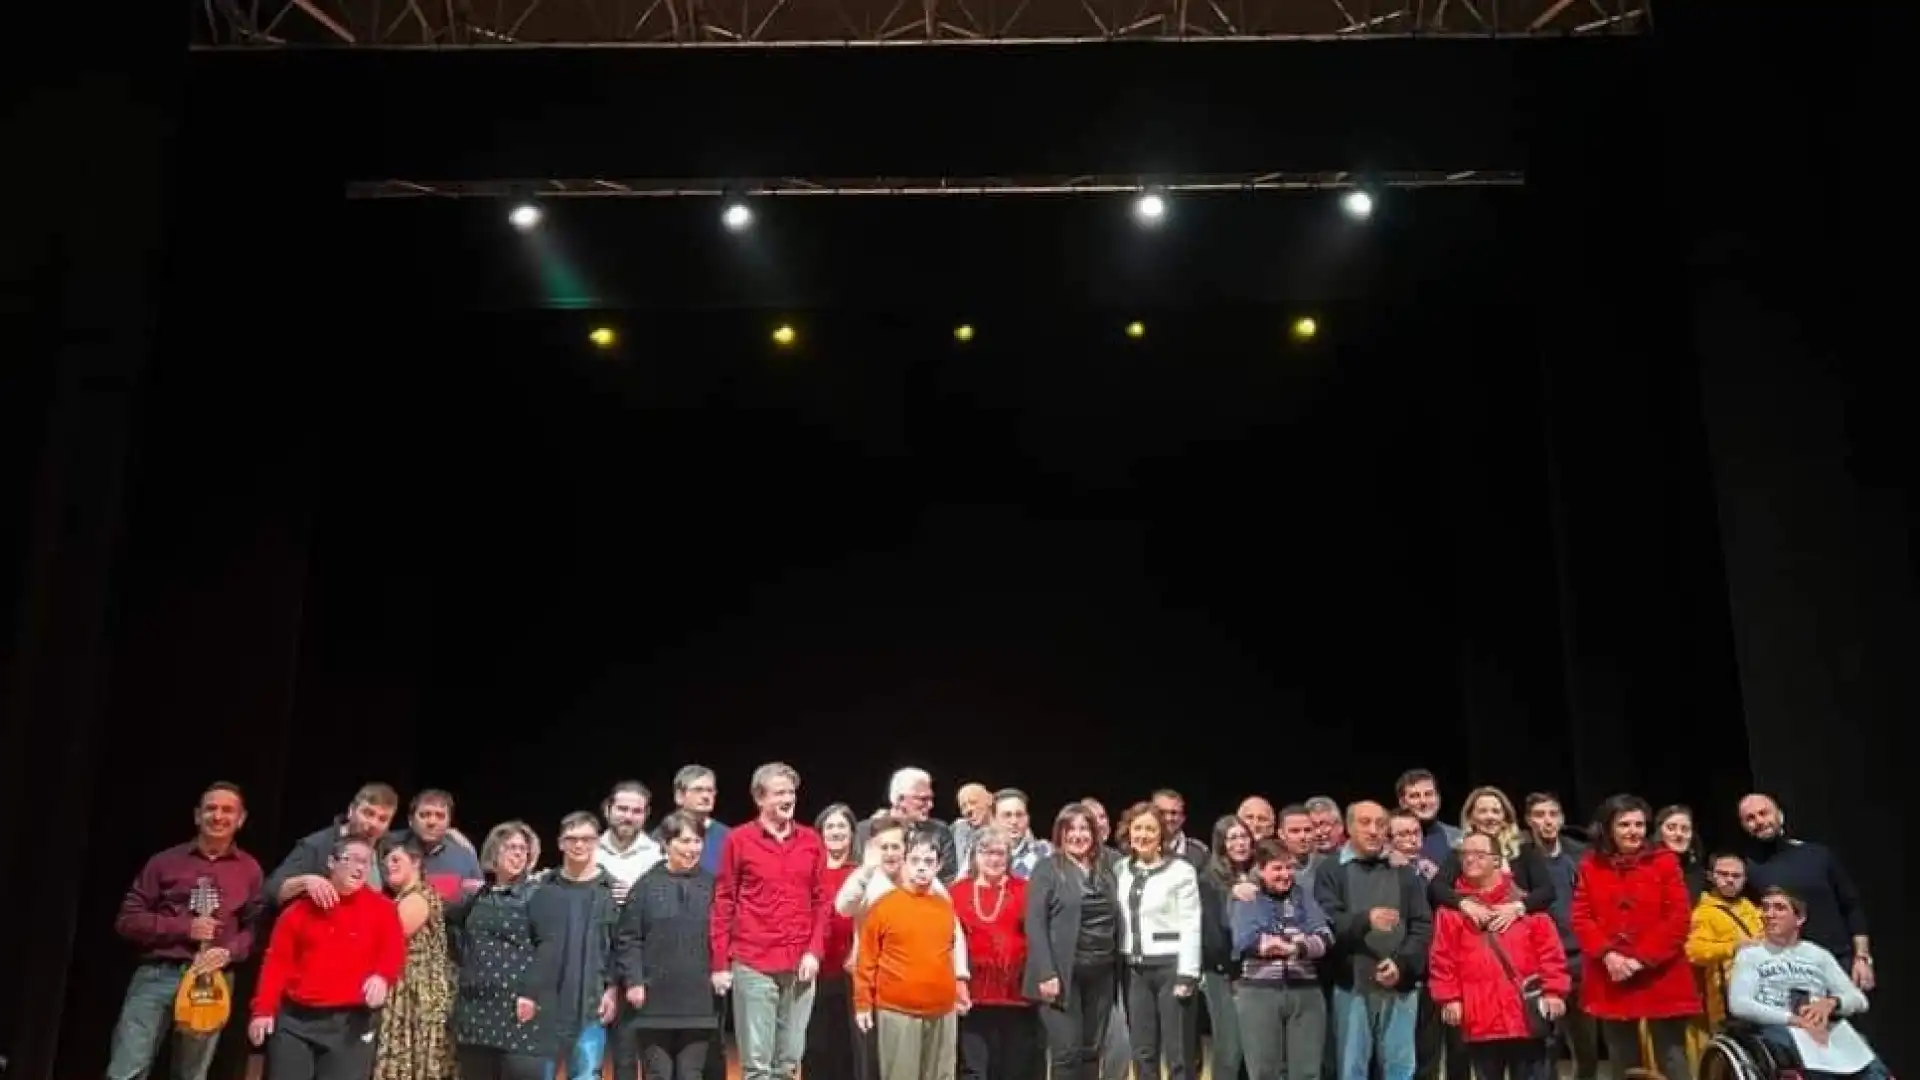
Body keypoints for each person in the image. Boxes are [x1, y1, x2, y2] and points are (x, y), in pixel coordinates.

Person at [107, 782, 264, 1080]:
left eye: (227, 810)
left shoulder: (249, 870)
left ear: (240, 819)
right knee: (128, 1069)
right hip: (157, 973)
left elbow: (256, 928)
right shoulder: (165, 862)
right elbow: (128, 920)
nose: (218, 816)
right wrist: (183, 928)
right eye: (211, 808)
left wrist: (228, 951)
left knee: (191, 1074)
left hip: (210, 979)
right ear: (197, 816)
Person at [248, 836, 406, 1080]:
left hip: (349, 1024)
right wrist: (263, 1011)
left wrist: (382, 977)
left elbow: (393, 950)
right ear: (331, 862)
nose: (359, 867)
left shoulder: (383, 909)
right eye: (351, 859)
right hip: (295, 1021)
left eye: (365, 862)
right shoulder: (298, 911)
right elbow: (276, 962)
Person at [1568, 795, 1699, 1080]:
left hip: (1661, 973)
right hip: (1611, 974)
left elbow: (1678, 918)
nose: (1633, 831)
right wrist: (1610, 955)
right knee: (1623, 1059)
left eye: (1639, 824)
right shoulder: (1591, 864)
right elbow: (1581, 917)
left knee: (1672, 1057)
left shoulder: (1664, 861)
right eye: (1624, 824)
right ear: (1608, 828)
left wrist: (1640, 959)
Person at [1426, 832, 1570, 1080]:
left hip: (1524, 1017)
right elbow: (1442, 959)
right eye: (1465, 855)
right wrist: (1449, 998)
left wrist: (1554, 992)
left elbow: (1550, 953)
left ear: (1497, 860)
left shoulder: (1525, 905)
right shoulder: (1451, 912)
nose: (1470, 860)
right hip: (1479, 1016)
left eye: (1479, 854)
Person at [1726, 888, 1886, 1080]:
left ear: (1799, 918)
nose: (1769, 914)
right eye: (1766, 908)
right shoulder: (1751, 955)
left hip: (1821, 1025)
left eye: (1779, 908)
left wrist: (1831, 1003)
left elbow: (1859, 1000)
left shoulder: (1818, 955)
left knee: (1870, 1065)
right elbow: (1739, 1004)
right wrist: (1793, 1020)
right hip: (1779, 1026)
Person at [854, 831, 972, 1080]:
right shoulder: (885, 905)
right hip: (898, 1010)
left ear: (938, 866)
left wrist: (959, 987)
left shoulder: (944, 906)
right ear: (905, 862)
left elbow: (950, 949)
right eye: (915, 861)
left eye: (928, 862)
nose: (921, 868)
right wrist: (863, 1003)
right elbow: (866, 958)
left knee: (941, 1075)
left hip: (942, 1010)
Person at [615, 811, 722, 1080]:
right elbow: (629, 937)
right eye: (684, 841)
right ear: (666, 843)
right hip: (653, 1001)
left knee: (690, 1075)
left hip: (699, 1002)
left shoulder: (713, 885)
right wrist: (634, 981)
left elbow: (723, 935)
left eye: (697, 841)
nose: (691, 848)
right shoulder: (645, 886)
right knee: (658, 1075)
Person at [1025, 803, 1121, 1080]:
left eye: (1084, 829)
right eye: (1071, 829)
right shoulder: (1047, 869)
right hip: (1062, 975)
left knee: (1091, 1051)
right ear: (1060, 834)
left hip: (1101, 972)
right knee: (1066, 1053)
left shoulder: (1107, 868)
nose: (1078, 835)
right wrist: (1046, 972)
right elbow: (1035, 923)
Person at [1231, 838, 1333, 1080]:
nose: (1285, 874)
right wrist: (1289, 941)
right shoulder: (1248, 898)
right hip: (1260, 993)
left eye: (1289, 867)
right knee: (1264, 1071)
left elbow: (1325, 937)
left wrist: (1295, 947)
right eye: (1277, 868)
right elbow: (1245, 941)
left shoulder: (1303, 896)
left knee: (1307, 1072)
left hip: (1306, 991)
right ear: (1261, 869)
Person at [373, 835, 458, 1080]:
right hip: (407, 990)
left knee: (413, 1063)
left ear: (416, 862)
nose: (389, 866)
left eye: (397, 860)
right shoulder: (401, 897)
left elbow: (389, 939)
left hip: (418, 995)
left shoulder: (417, 897)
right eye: (386, 862)